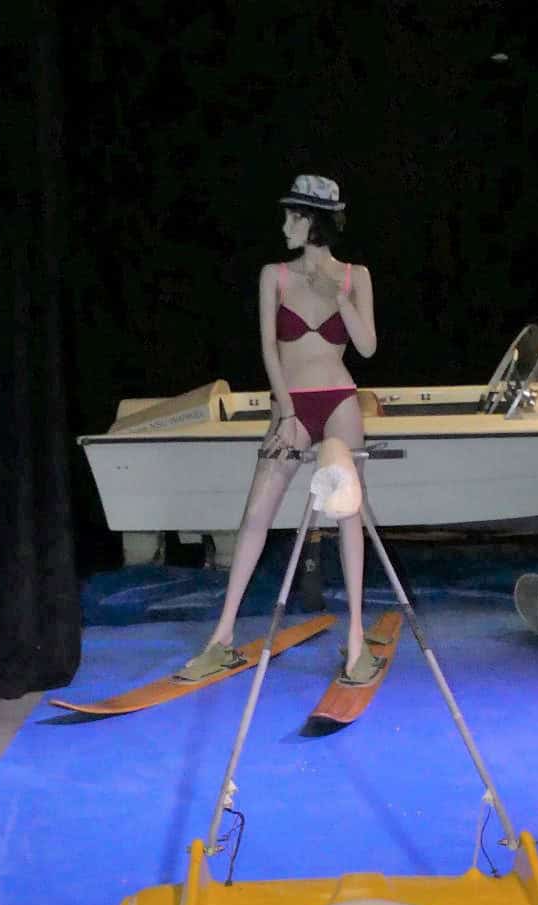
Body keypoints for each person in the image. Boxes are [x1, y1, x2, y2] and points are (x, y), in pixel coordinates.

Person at [177, 174, 382, 685]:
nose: (285, 224)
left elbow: (367, 347)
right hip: (290, 407)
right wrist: (286, 411)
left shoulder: (355, 276)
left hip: (339, 402)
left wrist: (339, 297)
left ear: (314, 221)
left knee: (347, 511)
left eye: (294, 215)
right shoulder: (275, 275)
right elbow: (269, 348)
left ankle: (357, 641)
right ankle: (222, 637)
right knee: (256, 515)